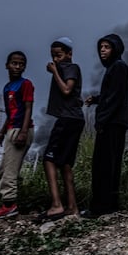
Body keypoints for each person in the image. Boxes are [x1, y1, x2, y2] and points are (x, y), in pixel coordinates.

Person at [82, 34, 128, 219]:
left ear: (116, 49)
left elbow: (114, 98)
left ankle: (99, 207)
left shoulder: (118, 67)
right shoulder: (115, 68)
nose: (102, 50)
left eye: (107, 47)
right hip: (116, 122)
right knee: (110, 165)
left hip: (111, 123)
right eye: (101, 47)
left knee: (103, 165)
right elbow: (111, 94)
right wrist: (96, 99)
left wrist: (101, 120)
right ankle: (110, 205)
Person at [37, 37, 85, 222]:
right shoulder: (66, 68)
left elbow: (66, 90)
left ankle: (57, 205)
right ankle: (72, 207)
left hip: (68, 120)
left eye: (59, 55)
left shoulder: (70, 68)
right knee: (65, 164)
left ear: (69, 54)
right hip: (73, 119)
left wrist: (54, 71)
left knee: (49, 159)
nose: (55, 59)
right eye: (53, 56)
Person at [0, 51, 35, 221]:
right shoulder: (7, 88)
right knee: (4, 170)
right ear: (7, 65)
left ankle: (10, 207)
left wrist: (23, 131)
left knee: (10, 171)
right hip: (11, 129)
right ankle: (6, 205)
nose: (17, 66)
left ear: (25, 67)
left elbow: (28, 108)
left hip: (21, 130)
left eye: (21, 64)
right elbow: (10, 113)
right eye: (14, 63)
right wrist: (1, 132)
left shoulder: (25, 84)